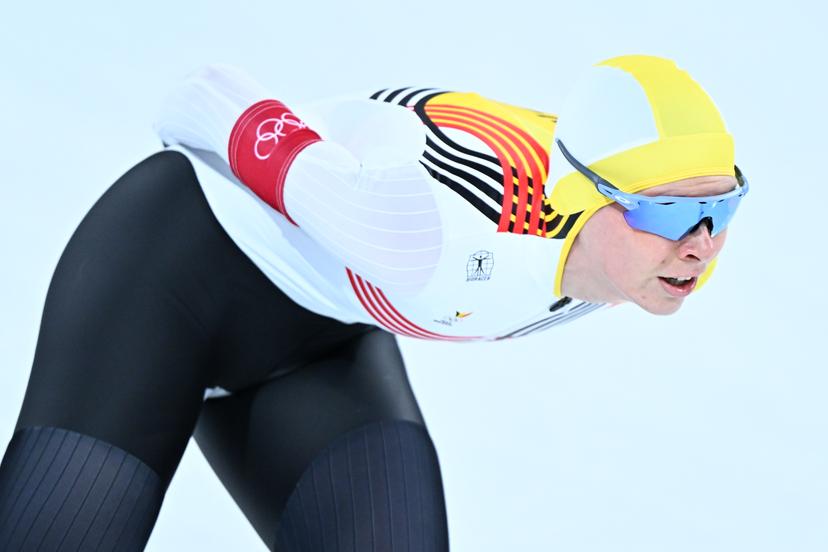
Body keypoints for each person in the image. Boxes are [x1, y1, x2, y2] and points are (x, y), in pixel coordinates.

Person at [0, 55, 747, 551]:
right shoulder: (431, 222)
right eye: (672, 213)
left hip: (318, 345)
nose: (702, 245)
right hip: (166, 281)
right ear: (589, 197)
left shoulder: (653, 262)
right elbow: (203, 97)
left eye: (724, 208)